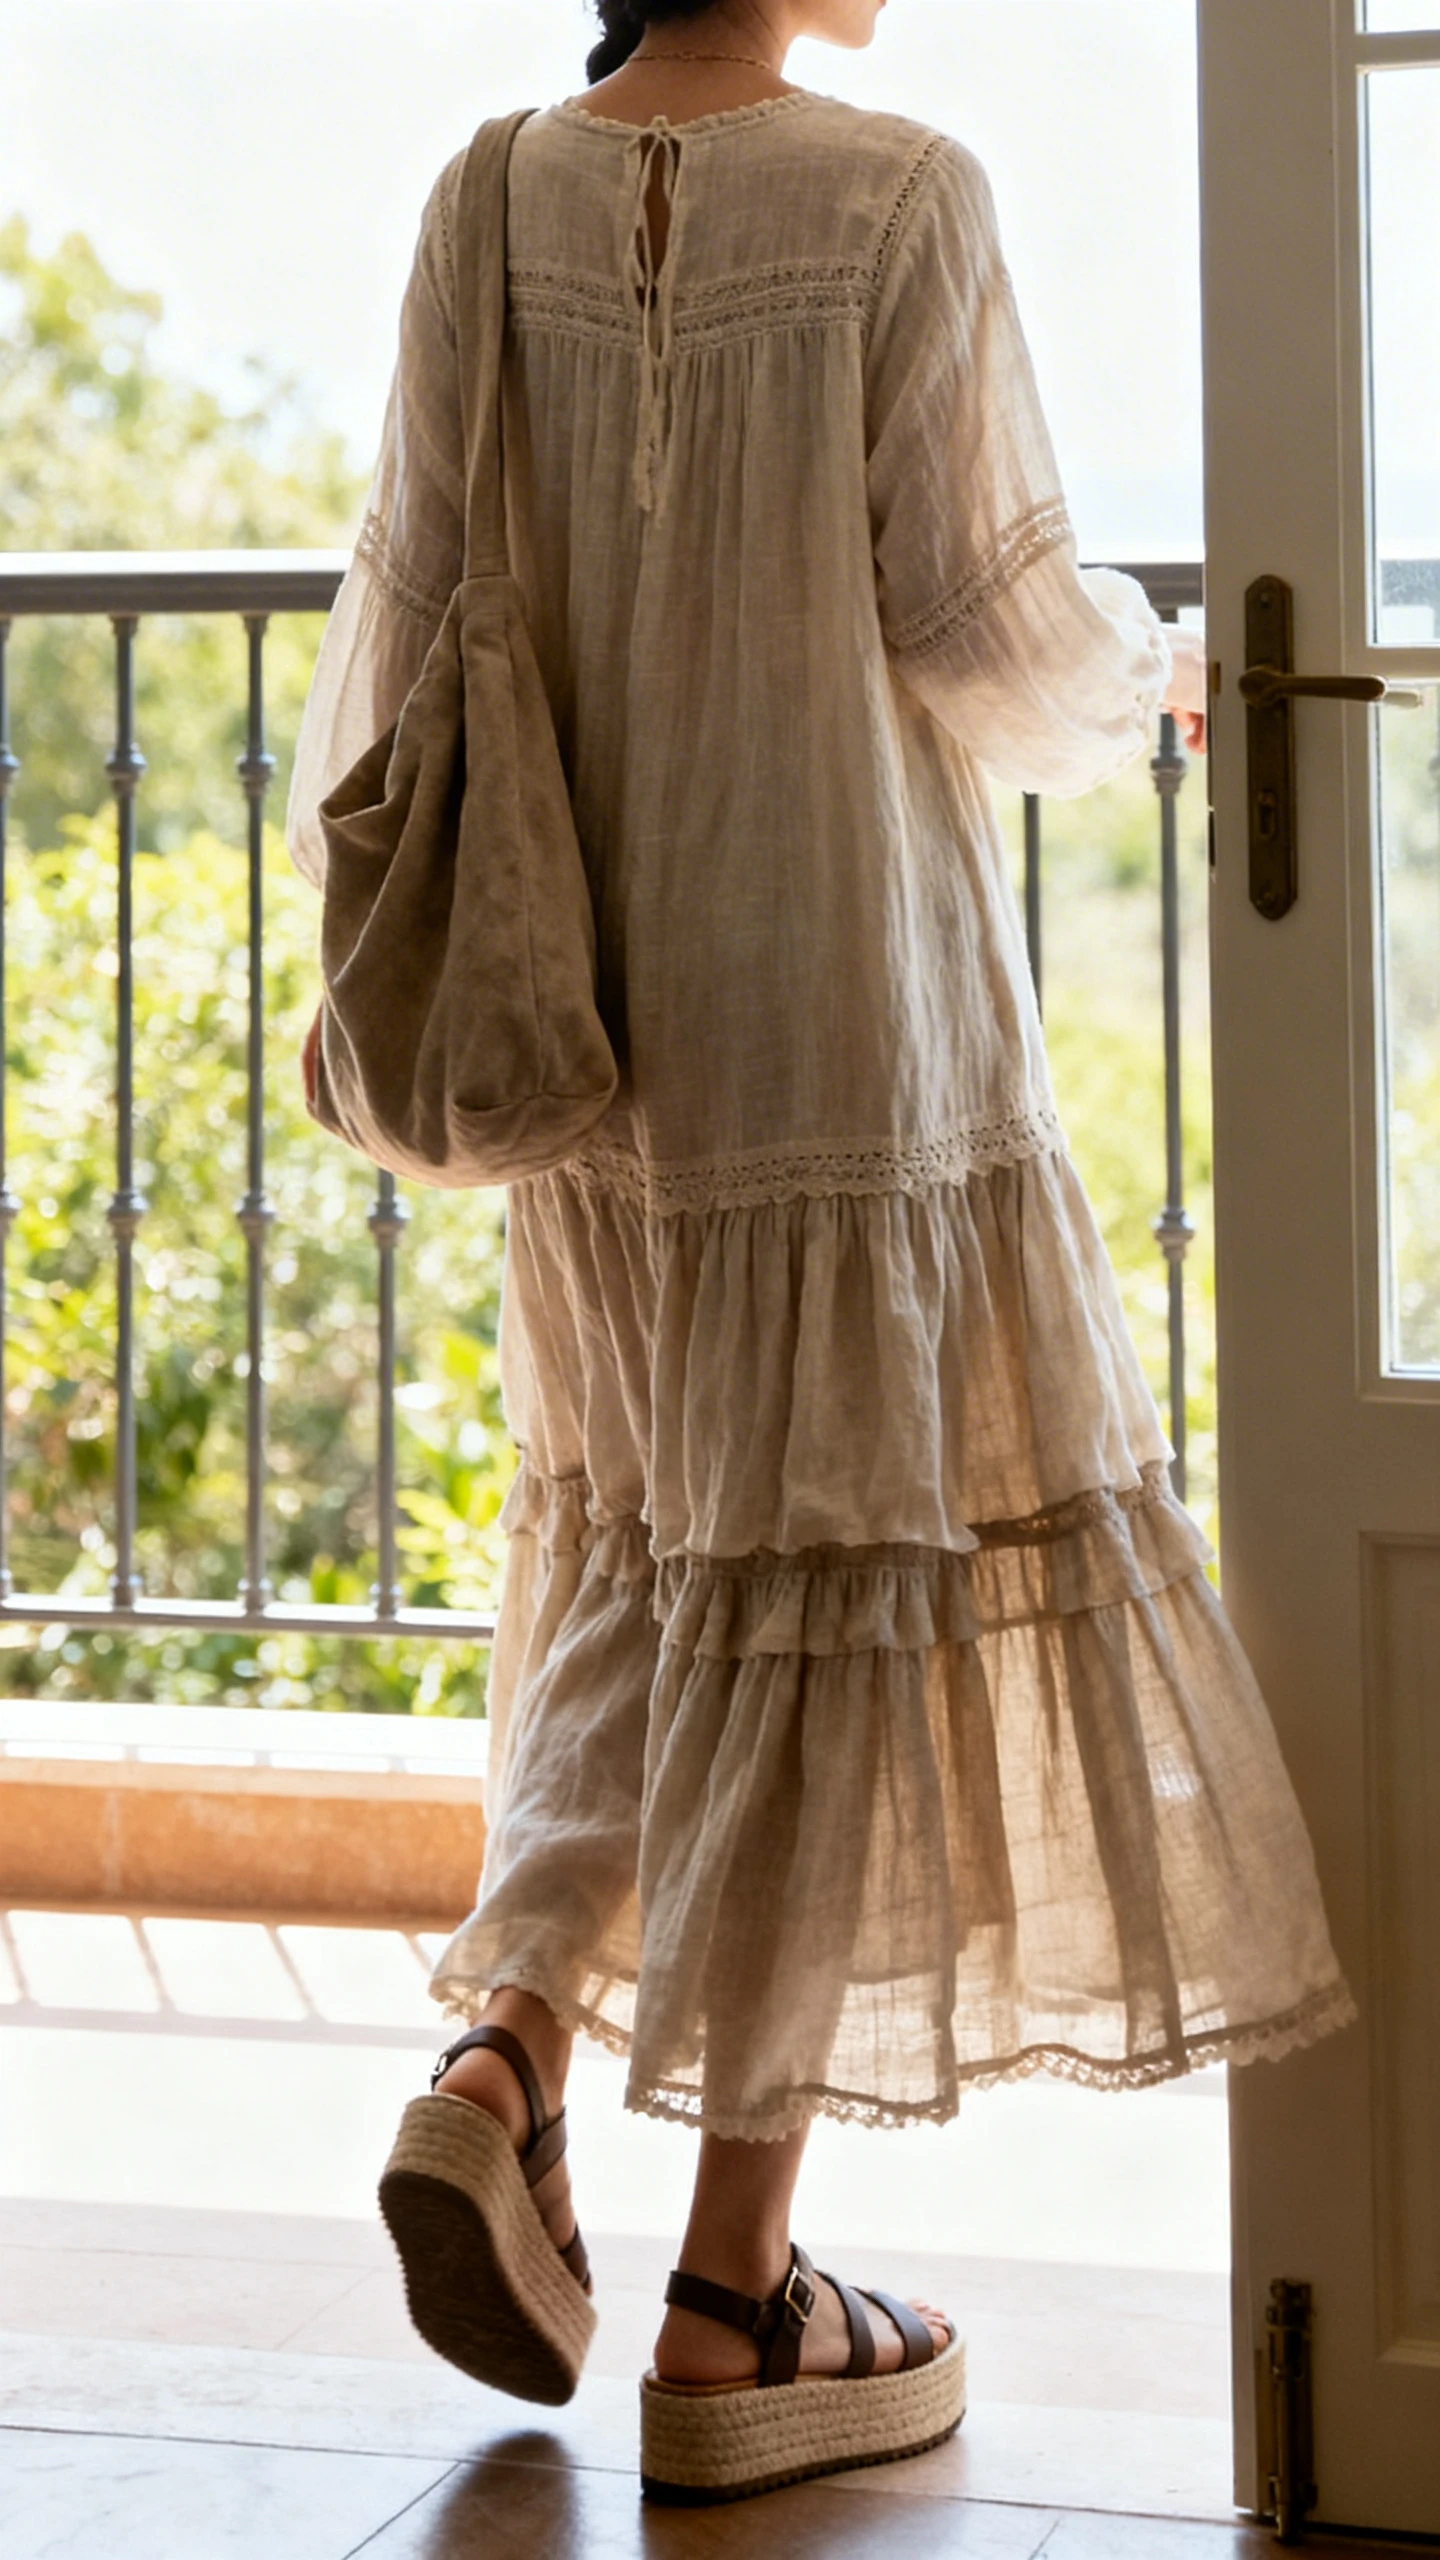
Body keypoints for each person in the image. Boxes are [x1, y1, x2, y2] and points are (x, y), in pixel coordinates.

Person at [286, 0, 1354, 2507]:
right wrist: (1163, 685)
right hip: (840, 1022)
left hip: (588, 1034)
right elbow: (977, 611)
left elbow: (403, 604)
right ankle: (732, 2296)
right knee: (819, 1603)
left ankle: (506, 2049)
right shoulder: (896, 192)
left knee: (642, 1556)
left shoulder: (484, 189)